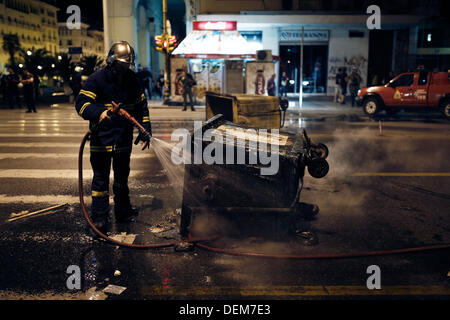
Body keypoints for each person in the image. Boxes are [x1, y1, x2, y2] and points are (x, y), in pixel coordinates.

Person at [75, 41, 152, 233]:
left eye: (127, 65)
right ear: (111, 61)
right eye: (120, 65)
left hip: (123, 138)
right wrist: (98, 113)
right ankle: (100, 217)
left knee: (121, 177)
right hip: (102, 137)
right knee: (100, 179)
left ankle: (122, 210)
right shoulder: (97, 79)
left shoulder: (132, 80)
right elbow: (82, 103)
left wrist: (145, 130)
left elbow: (141, 107)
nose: (124, 69)